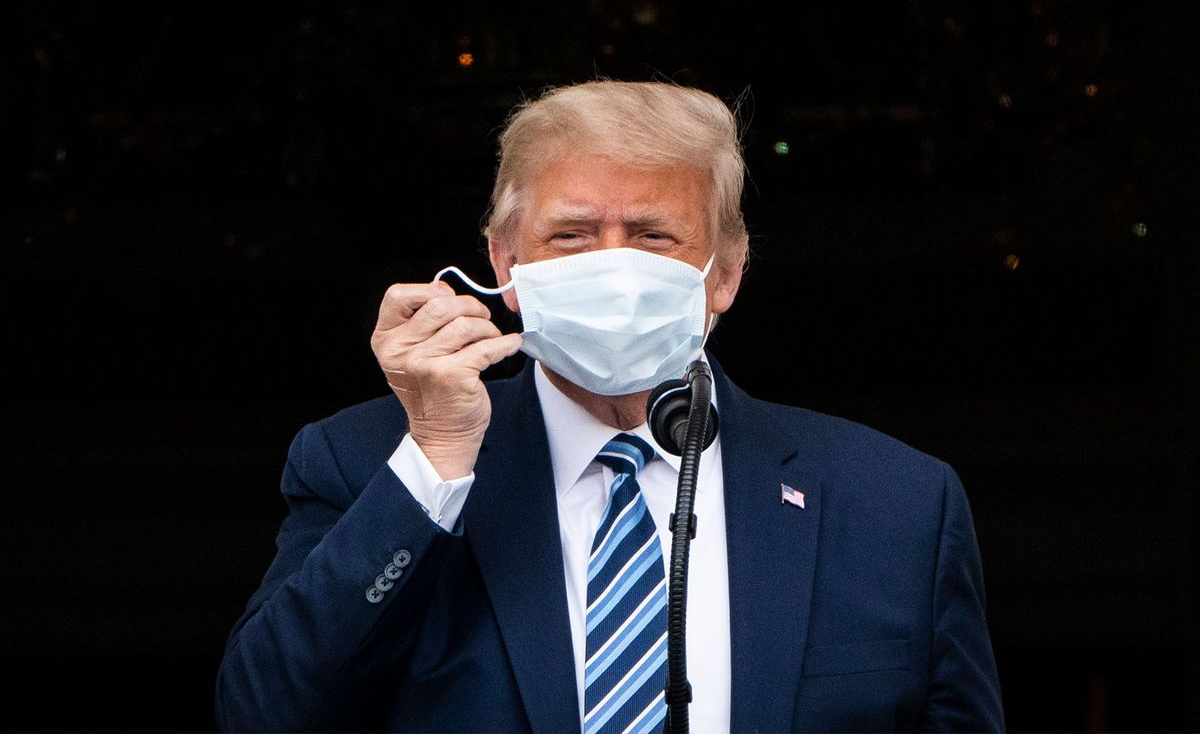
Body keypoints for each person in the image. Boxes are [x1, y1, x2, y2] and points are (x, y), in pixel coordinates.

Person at [215, 80, 1004, 733]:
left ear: (726, 274)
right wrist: (437, 461)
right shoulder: (368, 463)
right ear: (505, 264)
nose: (615, 266)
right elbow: (263, 714)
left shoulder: (897, 503)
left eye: (654, 236)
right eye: (572, 235)